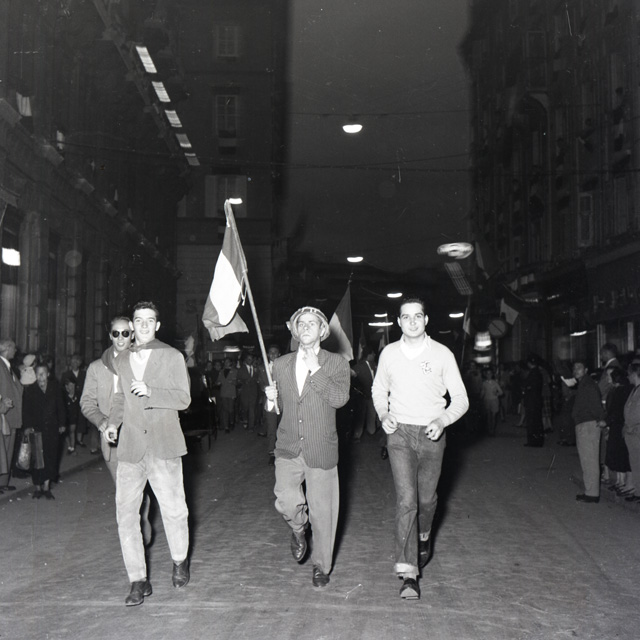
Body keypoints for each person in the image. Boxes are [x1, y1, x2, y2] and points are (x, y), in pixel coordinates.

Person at [372, 297, 468, 600]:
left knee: (426, 500)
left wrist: (442, 420)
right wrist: (383, 414)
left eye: (417, 316)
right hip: (399, 433)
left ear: (426, 320)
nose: (412, 322)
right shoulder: (389, 353)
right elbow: (379, 390)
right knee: (407, 501)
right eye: (406, 317)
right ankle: (409, 575)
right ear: (398, 322)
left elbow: (461, 399)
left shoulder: (442, 354)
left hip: (431, 434)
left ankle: (424, 534)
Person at [104, 301, 191, 606]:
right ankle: (138, 580)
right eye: (138, 320)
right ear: (132, 325)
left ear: (157, 325)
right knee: (126, 515)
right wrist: (113, 423)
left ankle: (179, 560)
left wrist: (152, 391)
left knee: (174, 510)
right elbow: (120, 397)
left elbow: (184, 399)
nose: (142, 326)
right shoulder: (123, 359)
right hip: (131, 449)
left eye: (149, 320)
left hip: (163, 446)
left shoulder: (172, 356)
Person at [264, 306, 351, 589]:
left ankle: (321, 566)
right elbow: (278, 408)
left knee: (323, 513)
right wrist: (270, 399)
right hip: (288, 445)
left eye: (312, 323)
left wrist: (316, 368)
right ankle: (298, 529)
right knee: (286, 499)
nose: (305, 327)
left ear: (323, 330)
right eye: (300, 323)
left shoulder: (337, 363)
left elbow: (339, 399)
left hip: (321, 447)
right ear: (293, 329)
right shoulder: (280, 364)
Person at [80, 316, 152, 544]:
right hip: (112, 441)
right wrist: (102, 421)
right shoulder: (96, 368)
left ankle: (141, 524)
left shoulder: (142, 361)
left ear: (132, 335)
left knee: (139, 492)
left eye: (125, 333)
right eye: (115, 333)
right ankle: (134, 538)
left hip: (139, 437)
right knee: (124, 493)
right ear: (110, 335)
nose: (120, 338)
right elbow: (86, 402)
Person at [22, 364, 66, 499]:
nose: (40, 377)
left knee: (50, 457)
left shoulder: (55, 388)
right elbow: (26, 410)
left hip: (52, 429)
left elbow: (61, 407)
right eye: (38, 374)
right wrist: (27, 426)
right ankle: (37, 487)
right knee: (36, 459)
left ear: (48, 374)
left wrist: (62, 423)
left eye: (43, 374)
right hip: (36, 429)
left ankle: (46, 487)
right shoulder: (30, 390)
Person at [571, 359, 606, 503]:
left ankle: (592, 494)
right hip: (584, 424)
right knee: (587, 459)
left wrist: (601, 418)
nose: (576, 370)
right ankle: (590, 491)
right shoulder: (584, 384)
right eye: (574, 368)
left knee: (590, 460)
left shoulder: (588, 384)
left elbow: (596, 405)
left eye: (579, 367)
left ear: (586, 370)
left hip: (588, 425)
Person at [603, 367, 633, 497]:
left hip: (618, 426)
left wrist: (607, 422)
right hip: (616, 425)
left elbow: (616, 410)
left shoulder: (621, 391)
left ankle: (623, 482)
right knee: (618, 454)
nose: (608, 378)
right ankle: (620, 481)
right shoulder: (616, 390)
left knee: (621, 454)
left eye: (610, 376)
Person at [0, 339, 23, 493]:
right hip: (4, 415)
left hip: (12, 416)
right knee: (2, 451)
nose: (16, 350)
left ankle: (3, 482)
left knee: (8, 451)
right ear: (7, 348)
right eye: (14, 348)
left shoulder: (7, 367)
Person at [60, 354, 88, 452]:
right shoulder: (66, 374)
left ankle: (79, 440)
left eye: (76, 362)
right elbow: (62, 387)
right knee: (71, 422)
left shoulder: (84, 374)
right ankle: (71, 443)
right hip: (70, 400)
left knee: (81, 419)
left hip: (81, 399)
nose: (74, 364)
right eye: (72, 362)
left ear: (80, 363)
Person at [258, 344, 281, 465]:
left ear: (279, 354)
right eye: (270, 352)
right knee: (272, 427)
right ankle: (272, 452)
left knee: (283, 427)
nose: (273, 354)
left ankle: (283, 450)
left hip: (283, 401)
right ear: (267, 354)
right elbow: (261, 383)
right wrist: (264, 388)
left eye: (275, 352)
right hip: (270, 401)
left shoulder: (284, 366)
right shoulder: (262, 368)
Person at [351, 345, 378, 442]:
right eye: (373, 353)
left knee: (372, 414)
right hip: (362, 396)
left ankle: (371, 432)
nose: (374, 355)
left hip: (372, 396)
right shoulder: (358, 367)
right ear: (369, 354)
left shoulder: (375, 365)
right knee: (360, 416)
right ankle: (357, 436)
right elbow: (352, 381)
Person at [622, 363, 640, 502]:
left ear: (634, 374)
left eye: (629, 374)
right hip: (630, 432)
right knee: (635, 463)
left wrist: (632, 425)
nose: (627, 377)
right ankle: (638, 492)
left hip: (636, 431)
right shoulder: (634, 390)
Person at [522, 355, 544, 447]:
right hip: (537, 400)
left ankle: (533, 441)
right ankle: (538, 440)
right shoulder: (538, 372)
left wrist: (525, 388)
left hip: (531, 400)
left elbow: (529, 386)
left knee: (532, 421)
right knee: (537, 421)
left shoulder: (532, 373)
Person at [237, 353, 259, 431]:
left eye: (251, 359)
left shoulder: (256, 368)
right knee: (245, 408)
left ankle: (251, 427)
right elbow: (238, 380)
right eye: (248, 359)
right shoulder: (241, 369)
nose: (250, 360)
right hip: (244, 392)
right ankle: (245, 419)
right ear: (245, 360)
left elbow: (258, 378)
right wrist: (243, 381)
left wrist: (256, 380)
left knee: (252, 409)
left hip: (253, 392)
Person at [217, 357, 238, 433]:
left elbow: (238, 382)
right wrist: (218, 383)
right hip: (223, 393)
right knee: (225, 410)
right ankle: (226, 427)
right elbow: (218, 380)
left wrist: (233, 382)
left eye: (228, 362)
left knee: (231, 409)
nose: (226, 363)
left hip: (231, 393)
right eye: (225, 362)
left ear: (230, 363)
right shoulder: (221, 371)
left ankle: (232, 422)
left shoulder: (235, 371)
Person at [480, 367, 502, 436]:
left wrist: (496, 394)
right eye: (487, 374)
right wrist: (480, 399)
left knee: (493, 416)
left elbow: (501, 392)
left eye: (490, 374)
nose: (488, 375)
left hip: (494, 401)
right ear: (486, 375)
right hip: (487, 400)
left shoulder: (495, 383)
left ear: (492, 374)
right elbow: (483, 392)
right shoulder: (484, 383)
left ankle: (493, 430)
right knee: (488, 416)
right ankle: (490, 430)